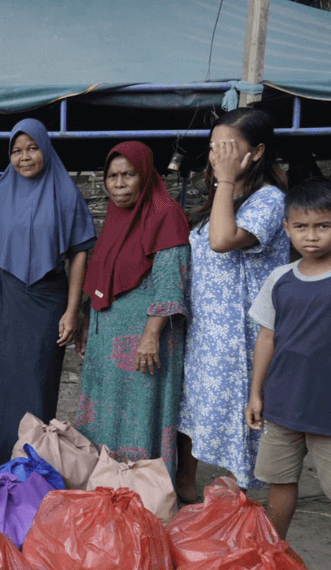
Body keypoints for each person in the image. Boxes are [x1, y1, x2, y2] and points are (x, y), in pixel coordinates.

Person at [0, 118, 97, 467]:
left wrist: (73, 310)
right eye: (16, 151)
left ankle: (30, 460)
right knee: (1, 381)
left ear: (46, 148)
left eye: (32, 148)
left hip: (47, 301)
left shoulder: (65, 194)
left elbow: (79, 253)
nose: (24, 157)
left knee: (38, 380)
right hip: (5, 298)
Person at [178, 107, 290, 499]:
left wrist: (223, 181)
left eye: (228, 148)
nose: (217, 156)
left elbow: (222, 241)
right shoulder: (221, 199)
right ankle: (188, 493)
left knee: (240, 424)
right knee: (193, 417)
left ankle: (241, 512)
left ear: (256, 152)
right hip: (206, 333)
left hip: (243, 337)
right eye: (213, 148)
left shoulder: (270, 199)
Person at [75, 141, 191, 477]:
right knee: (105, 409)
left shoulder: (165, 214)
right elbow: (101, 276)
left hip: (142, 338)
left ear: (145, 175)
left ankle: (142, 486)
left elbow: (171, 283)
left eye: (129, 174)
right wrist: (87, 323)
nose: (120, 182)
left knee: (139, 410)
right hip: (106, 338)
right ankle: (106, 481)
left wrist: (151, 336)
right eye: (112, 176)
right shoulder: (116, 216)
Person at [246, 177, 331, 540]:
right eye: (301, 226)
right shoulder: (280, 279)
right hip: (283, 404)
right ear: (287, 228)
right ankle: (272, 552)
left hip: (326, 409)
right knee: (279, 482)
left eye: (323, 226)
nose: (311, 236)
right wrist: (256, 393)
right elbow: (267, 337)